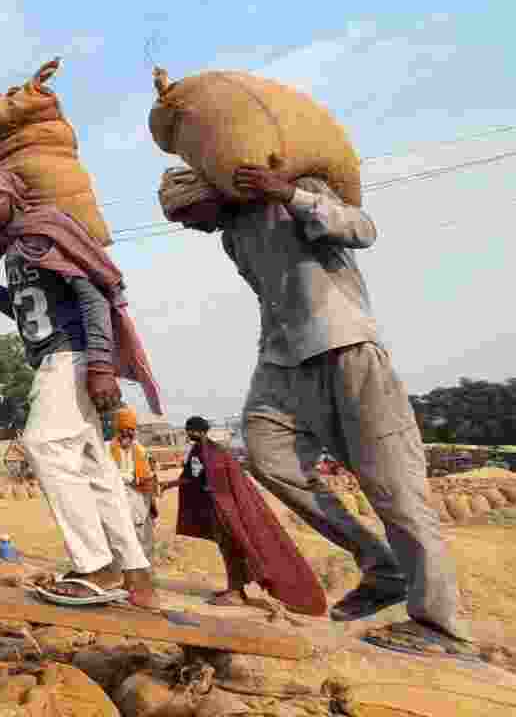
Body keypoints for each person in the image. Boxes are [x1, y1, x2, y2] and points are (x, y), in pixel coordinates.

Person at [162, 161, 473, 657]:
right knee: (265, 454)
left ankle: (441, 625)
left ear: (212, 191)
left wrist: (288, 192)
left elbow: (363, 229)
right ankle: (381, 565)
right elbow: (272, 299)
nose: (184, 225)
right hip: (282, 362)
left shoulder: (294, 194)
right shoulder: (233, 237)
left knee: (396, 493)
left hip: (346, 348)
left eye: (185, 212)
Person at [0, 168, 164, 609]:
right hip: (53, 359)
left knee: (43, 444)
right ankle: (136, 572)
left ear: (14, 198)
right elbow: (20, 310)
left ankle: (94, 565)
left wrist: (100, 364)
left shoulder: (42, 236)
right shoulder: (16, 250)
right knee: (96, 470)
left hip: (70, 356)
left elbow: (92, 297)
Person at [161, 417, 326, 615]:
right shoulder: (211, 452)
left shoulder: (209, 453)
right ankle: (235, 589)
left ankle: (237, 593)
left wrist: (170, 485)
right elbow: (196, 478)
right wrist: (170, 485)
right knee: (230, 548)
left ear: (196, 431)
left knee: (233, 548)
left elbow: (202, 480)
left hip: (225, 511)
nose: (188, 435)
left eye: (189, 431)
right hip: (225, 509)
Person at [109, 407, 159, 560]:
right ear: (117, 430)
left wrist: (151, 501)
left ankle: (146, 575)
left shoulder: (141, 451)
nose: (127, 433)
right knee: (119, 540)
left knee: (145, 541)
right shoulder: (106, 449)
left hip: (140, 500)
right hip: (116, 500)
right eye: (123, 429)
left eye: (130, 429)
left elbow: (150, 476)